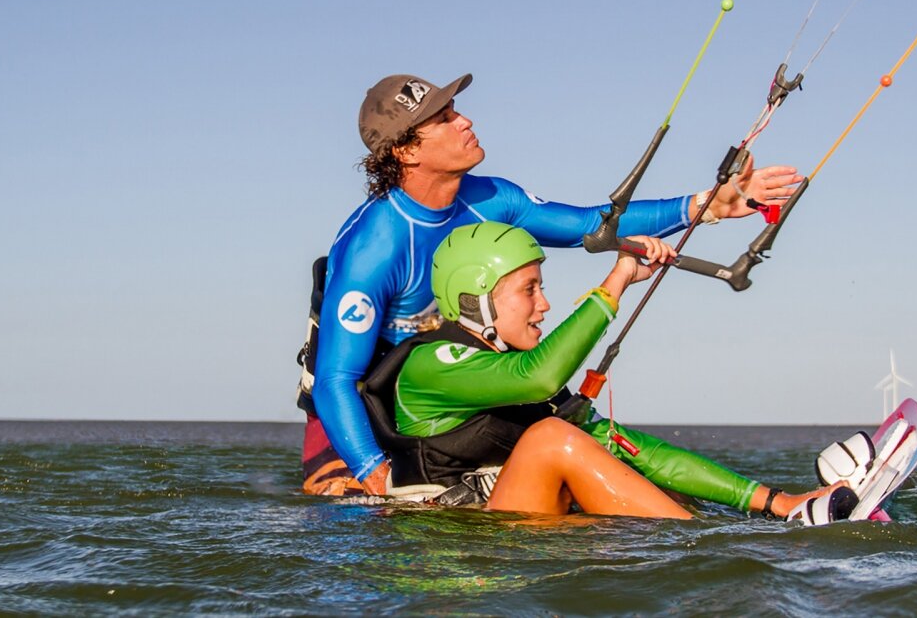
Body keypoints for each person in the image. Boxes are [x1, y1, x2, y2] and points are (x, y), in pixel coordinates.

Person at [299, 72, 805, 496]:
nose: (466, 120)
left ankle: (771, 507)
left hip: (455, 390)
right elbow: (335, 381)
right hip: (359, 408)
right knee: (360, 523)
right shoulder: (375, 247)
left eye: (456, 108)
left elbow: (591, 225)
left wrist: (705, 206)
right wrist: (371, 469)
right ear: (407, 151)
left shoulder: (491, 198)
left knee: (578, 460)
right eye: (445, 118)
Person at [366, 221, 846, 518]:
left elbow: (636, 450)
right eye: (529, 290)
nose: (545, 305)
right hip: (460, 564)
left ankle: (780, 521)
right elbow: (539, 375)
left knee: (662, 489)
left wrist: (774, 500)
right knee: (551, 437)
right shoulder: (433, 364)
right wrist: (616, 281)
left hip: (515, 538)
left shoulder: (516, 372)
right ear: (476, 299)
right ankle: (712, 544)